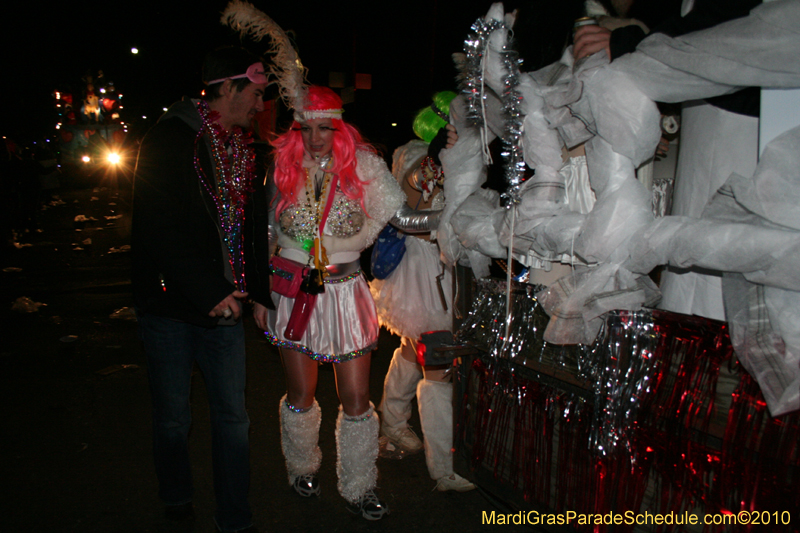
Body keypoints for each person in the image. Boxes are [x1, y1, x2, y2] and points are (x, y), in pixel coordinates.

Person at [131, 46, 272, 533]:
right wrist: (209, 288)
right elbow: (158, 227)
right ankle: (175, 495)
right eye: (256, 94)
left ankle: (234, 514)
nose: (260, 105)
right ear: (229, 88)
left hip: (226, 307)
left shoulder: (240, 145)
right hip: (170, 307)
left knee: (233, 418)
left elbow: (248, 227)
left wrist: (258, 292)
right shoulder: (170, 138)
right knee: (173, 418)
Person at [252, 85, 404, 521]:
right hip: (291, 291)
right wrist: (262, 294)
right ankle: (302, 467)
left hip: (346, 292)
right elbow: (265, 232)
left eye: (324, 127)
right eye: (306, 127)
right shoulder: (283, 166)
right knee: (301, 392)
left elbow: (386, 212)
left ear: (339, 126)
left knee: (356, 396)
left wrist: (345, 241)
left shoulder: (364, 165)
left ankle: (359, 485)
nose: (315, 136)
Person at [370, 92, 476, 493]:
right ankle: (443, 468)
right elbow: (410, 211)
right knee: (439, 365)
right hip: (424, 275)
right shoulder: (418, 160)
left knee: (415, 351)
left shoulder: (446, 158)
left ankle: (394, 422)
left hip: (445, 272)